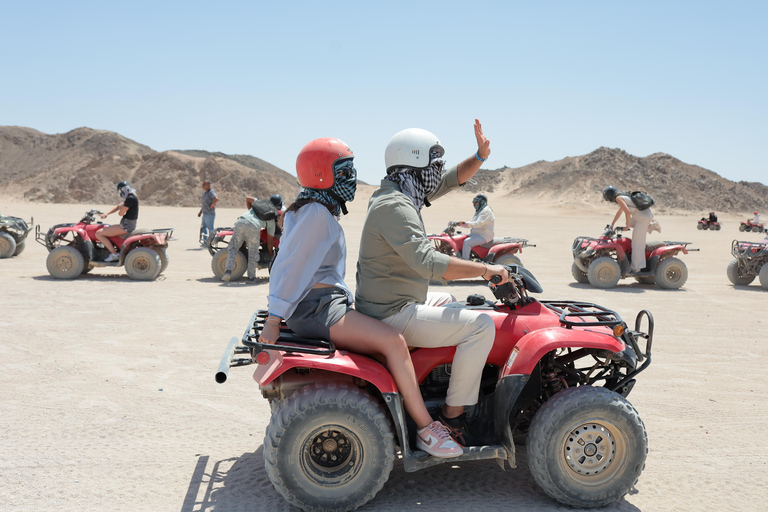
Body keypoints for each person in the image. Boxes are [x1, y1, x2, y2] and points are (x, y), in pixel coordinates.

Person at [259, 137, 462, 458]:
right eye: (344, 173)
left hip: (325, 304)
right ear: (321, 175)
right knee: (394, 340)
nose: (352, 179)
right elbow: (290, 267)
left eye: (351, 171)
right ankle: (427, 429)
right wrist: (273, 319)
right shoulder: (315, 215)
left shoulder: (311, 209)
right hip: (319, 310)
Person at [355, 119, 508, 446]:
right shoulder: (395, 207)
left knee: (455, 302)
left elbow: (452, 179)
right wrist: (485, 271)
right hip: (392, 313)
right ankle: (452, 417)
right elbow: (428, 263)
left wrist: (479, 156)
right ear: (412, 167)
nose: (437, 172)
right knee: (481, 326)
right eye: (432, 165)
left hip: (395, 300)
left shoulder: (401, 191)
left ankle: (438, 381)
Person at [603, 186, 660, 274]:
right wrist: (612, 224)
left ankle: (636, 268)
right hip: (645, 214)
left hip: (643, 218)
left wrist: (628, 227)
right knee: (628, 222)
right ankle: (651, 225)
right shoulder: (623, 196)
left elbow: (627, 212)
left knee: (637, 243)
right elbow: (620, 212)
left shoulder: (619, 198)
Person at [221, 196, 277, 282]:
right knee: (253, 252)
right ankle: (251, 278)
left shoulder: (259, 203)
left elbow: (247, 198)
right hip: (253, 227)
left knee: (233, 247)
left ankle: (228, 272)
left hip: (241, 220)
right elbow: (270, 242)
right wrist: (270, 253)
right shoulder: (272, 220)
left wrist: (249, 211)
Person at [96, 181, 138, 262]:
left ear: (123, 190)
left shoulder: (130, 199)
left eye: (120, 191)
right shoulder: (132, 196)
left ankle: (114, 254)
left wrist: (122, 208)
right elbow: (118, 206)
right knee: (108, 227)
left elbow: (120, 213)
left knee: (98, 233)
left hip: (126, 225)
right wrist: (106, 213)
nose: (120, 193)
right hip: (128, 224)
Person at [457, 193, 495, 259]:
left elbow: (477, 224)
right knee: (461, 237)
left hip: (484, 236)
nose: (474, 204)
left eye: (476, 202)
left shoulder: (486, 212)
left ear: (482, 202)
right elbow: (473, 223)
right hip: (476, 233)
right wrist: (459, 224)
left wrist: (465, 223)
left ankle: (464, 262)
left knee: (467, 242)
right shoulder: (480, 210)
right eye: (473, 202)